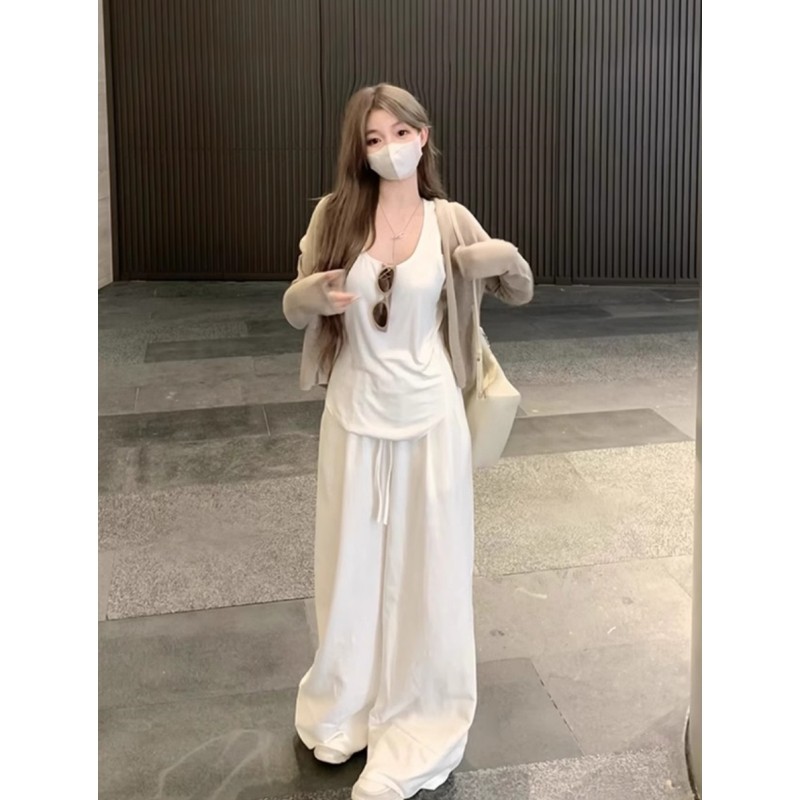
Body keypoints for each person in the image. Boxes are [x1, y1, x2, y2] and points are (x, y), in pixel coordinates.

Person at [282, 83, 533, 800]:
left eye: (399, 133)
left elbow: (519, 288)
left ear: (423, 137)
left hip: (430, 421)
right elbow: (293, 304)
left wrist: (503, 258)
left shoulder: (448, 220)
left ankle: (418, 719)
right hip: (353, 418)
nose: (388, 148)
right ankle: (345, 705)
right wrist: (309, 297)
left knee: (430, 570)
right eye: (373, 138)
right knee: (350, 567)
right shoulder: (334, 216)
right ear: (358, 151)